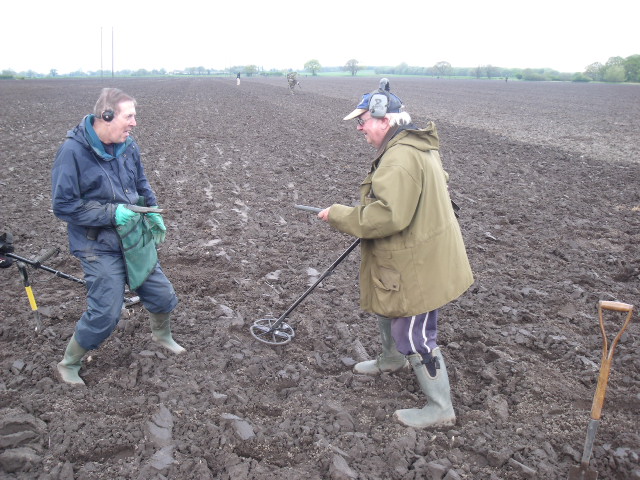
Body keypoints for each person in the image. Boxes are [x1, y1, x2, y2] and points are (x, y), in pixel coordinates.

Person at [318, 79, 474, 429]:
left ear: (384, 120)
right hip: (411, 252)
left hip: (419, 263)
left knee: (415, 334)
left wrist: (340, 214)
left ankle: (440, 408)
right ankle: (391, 360)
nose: (359, 127)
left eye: (363, 121)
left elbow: (389, 215)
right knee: (387, 305)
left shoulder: (399, 158)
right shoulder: (413, 147)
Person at [51, 87, 185, 386]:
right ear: (107, 116)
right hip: (97, 244)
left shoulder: (129, 146)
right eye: (130, 116)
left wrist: (151, 211)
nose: (134, 123)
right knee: (106, 313)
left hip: (133, 236)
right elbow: (64, 206)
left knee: (162, 295)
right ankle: (69, 363)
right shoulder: (72, 152)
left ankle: (162, 335)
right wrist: (111, 214)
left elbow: (140, 182)